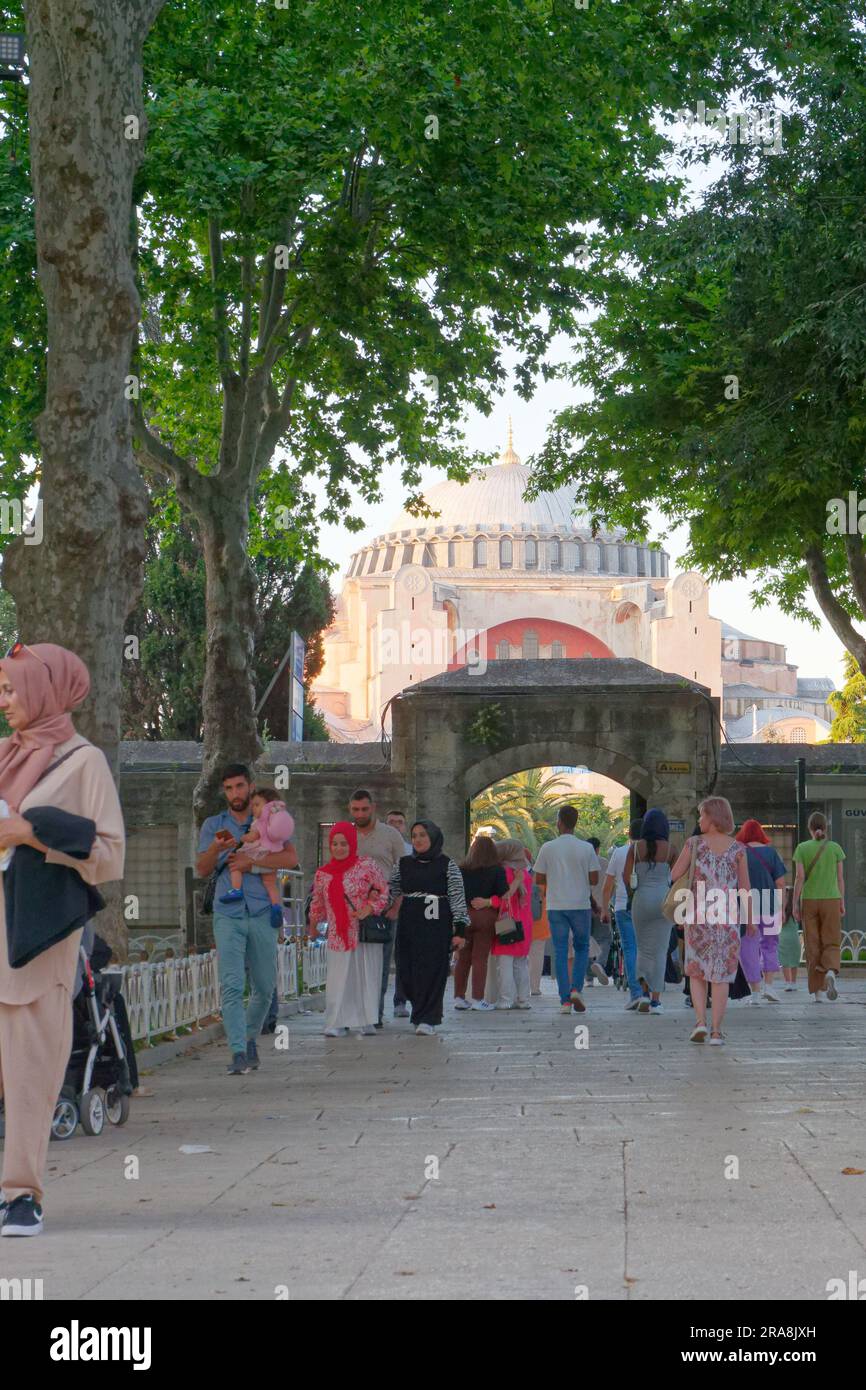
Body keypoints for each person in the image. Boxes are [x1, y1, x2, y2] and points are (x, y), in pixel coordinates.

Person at [0, 642, 124, 1237]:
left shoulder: (84, 763)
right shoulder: (2, 757)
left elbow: (107, 857)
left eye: (12, 688)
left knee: (30, 1071)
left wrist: (28, 833)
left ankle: (21, 1194)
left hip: (37, 935)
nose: (3, 700)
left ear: (45, 690)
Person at [197, 764, 298, 1076]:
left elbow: (290, 858)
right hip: (227, 914)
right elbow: (201, 868)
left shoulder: (268, 817)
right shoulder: (214, 824)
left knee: (265, 987)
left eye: (240, 787)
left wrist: (251, 862)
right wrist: (217, 846)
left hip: (262, 912)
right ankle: (238, 1051)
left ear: (250, 786)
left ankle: (250, 1037)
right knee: (231, 985)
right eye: (228, 789)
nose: (235, 794)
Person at [670, 796, 752, 1045]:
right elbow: (745, 888)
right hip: (727, 918)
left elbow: (674, 874)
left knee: (696, 972)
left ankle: (700, 1023)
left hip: (698, 916)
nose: (699, 820)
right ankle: (717, 1032)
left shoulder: (693, 843)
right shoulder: (738, 849)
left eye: (702, 815)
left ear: (712, 818)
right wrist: (750, 920)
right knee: (721, 975)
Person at [308, 822, 389, 1036]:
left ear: (352, 843)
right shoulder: (323, 874)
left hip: (364, 932)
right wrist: (313, 924)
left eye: (344, 843)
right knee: (338, 978)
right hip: (337, 934)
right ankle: (336, 1022)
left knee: (366, 975)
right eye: (334, 843)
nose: (339, 848)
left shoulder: (366, 866)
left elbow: (383, 890)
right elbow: (317, 902)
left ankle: (366, 1020)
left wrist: (369, 908)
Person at [388, 821, 468, 1034]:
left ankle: (429, 1018)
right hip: (409, 925)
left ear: (433, 836)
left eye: (423, 835)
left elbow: (458, 899)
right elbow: (391, 891)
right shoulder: (403, 864)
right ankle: (419, 1011)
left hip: (436, 927)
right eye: (414, 836)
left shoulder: (447, 864)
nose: (418, 839)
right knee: (408, 971)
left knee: (433, 971)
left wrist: (460, 931)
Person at [532, 806, 600, 1015]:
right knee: (581, 948)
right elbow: (594, 879)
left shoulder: (547, 847)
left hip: (556, 906)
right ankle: (575, 989)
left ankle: (564, 1002)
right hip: (580, 905)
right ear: (576, 823)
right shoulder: (587, 848)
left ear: (559, 822)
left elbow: (539, 878)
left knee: (560, 951)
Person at [348, 790, 407, 1024]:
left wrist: (397, 906)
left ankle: (375, 1013)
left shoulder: (391, 835)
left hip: (383, 907)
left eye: (364, 809)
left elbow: (404, 872)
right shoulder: (347, 834)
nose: (360, 813)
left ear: (373, 808)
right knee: (353, 962)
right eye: (355, 809)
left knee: (379, 963)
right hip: (352, 906)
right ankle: (354, 1012)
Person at [219, 788, 295, 928]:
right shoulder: (275, 824)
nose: (253, 808)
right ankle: (276, 906)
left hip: (256, 854)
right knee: (270, 885)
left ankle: (236, 890)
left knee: (235, 865)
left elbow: (253, 836)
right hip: (271, 858)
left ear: (268, 806)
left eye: (256, 804)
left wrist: (242, 837)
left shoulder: (260, 822)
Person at [624, 809, 675, 1015]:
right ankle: (656, 1001)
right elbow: (680, 876)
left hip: (641, 901)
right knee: (660, 951)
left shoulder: (635, 848)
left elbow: (626, 877)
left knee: (643, 949)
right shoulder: (671, 849)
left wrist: (632, 895)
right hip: (663, 901)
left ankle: (643, 994)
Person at [792, 811, 846, 1003]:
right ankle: (830, 971)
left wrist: (795, 904)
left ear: (809, 828)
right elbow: (840, 878)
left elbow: (799, 878)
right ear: (825, 827)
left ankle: (817, 992)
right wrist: (842, 901)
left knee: (812, 944)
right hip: (831, 898)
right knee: (831, 940)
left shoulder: (802, 848)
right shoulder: (835, 848)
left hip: (810, 901)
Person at [455, 834, 510, 1011]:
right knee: (480, 958)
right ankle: (478, 999)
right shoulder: (497, 870)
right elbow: (503, 894)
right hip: (486, 917)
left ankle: (459, 997)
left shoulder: (461, 869)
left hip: (464, 916)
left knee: (463, 958)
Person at [734, 820, 786, 1005]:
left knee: (748, 947)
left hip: (746, 906)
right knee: (770, 944)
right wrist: (782, 907)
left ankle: (755, 991)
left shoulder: (739, 852)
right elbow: (780, 883)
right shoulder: (771, 852)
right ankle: (769, 986)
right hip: (770, 903)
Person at [602, 819, 644, 1010]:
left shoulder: (618, 853)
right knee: (647, 949)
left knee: (630, 948)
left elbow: (608, 885)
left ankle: (636, 993)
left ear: (629, 834)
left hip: (622, 906)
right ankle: (650, 994)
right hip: (645, 907)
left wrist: (604, 908)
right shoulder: (652, 852)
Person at [490, 840, 534, 1009]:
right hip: (524, 921)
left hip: (507, 920)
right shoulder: (525, 872)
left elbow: (504, 897)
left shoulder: (504, 872)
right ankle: (523, 999)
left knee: (505, 962)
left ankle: (506, 999)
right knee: (521, 963)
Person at [585, 836, 611, 987]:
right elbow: (611, 886)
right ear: (598, 849)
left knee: (586, 940)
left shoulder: (582, 863)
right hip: (601, 908)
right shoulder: (605, 863)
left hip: (585, 907)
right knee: (605, 939)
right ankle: (600, 963)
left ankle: (588, 978)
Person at [528, 864, 550, 996]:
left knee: (518, 958)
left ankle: (520, 988)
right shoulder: (543, 877)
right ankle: (535, 987)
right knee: (537, 956)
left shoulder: (514, 874)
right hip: (539, 920)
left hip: (519, 921)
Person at [778, 887, 801, 990]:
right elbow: (799, 919)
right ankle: (793, 982)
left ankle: (788, 982)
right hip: (794, 938)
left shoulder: (783, 910)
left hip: (783, 938)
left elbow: (780, 922)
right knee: (794, 961)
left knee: (785, 962)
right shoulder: (796, 910)